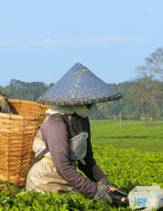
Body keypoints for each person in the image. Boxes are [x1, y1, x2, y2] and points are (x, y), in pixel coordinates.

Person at [25, 62, 123, 201]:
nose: (91, 104)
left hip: (69, 181)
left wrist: (102, 180)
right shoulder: (56, 123)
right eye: (89, 100)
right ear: (77, 101)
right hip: (45, 182)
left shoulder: (82, 120)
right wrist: (94, 190)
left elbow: (87, 161)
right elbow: (63, 166)